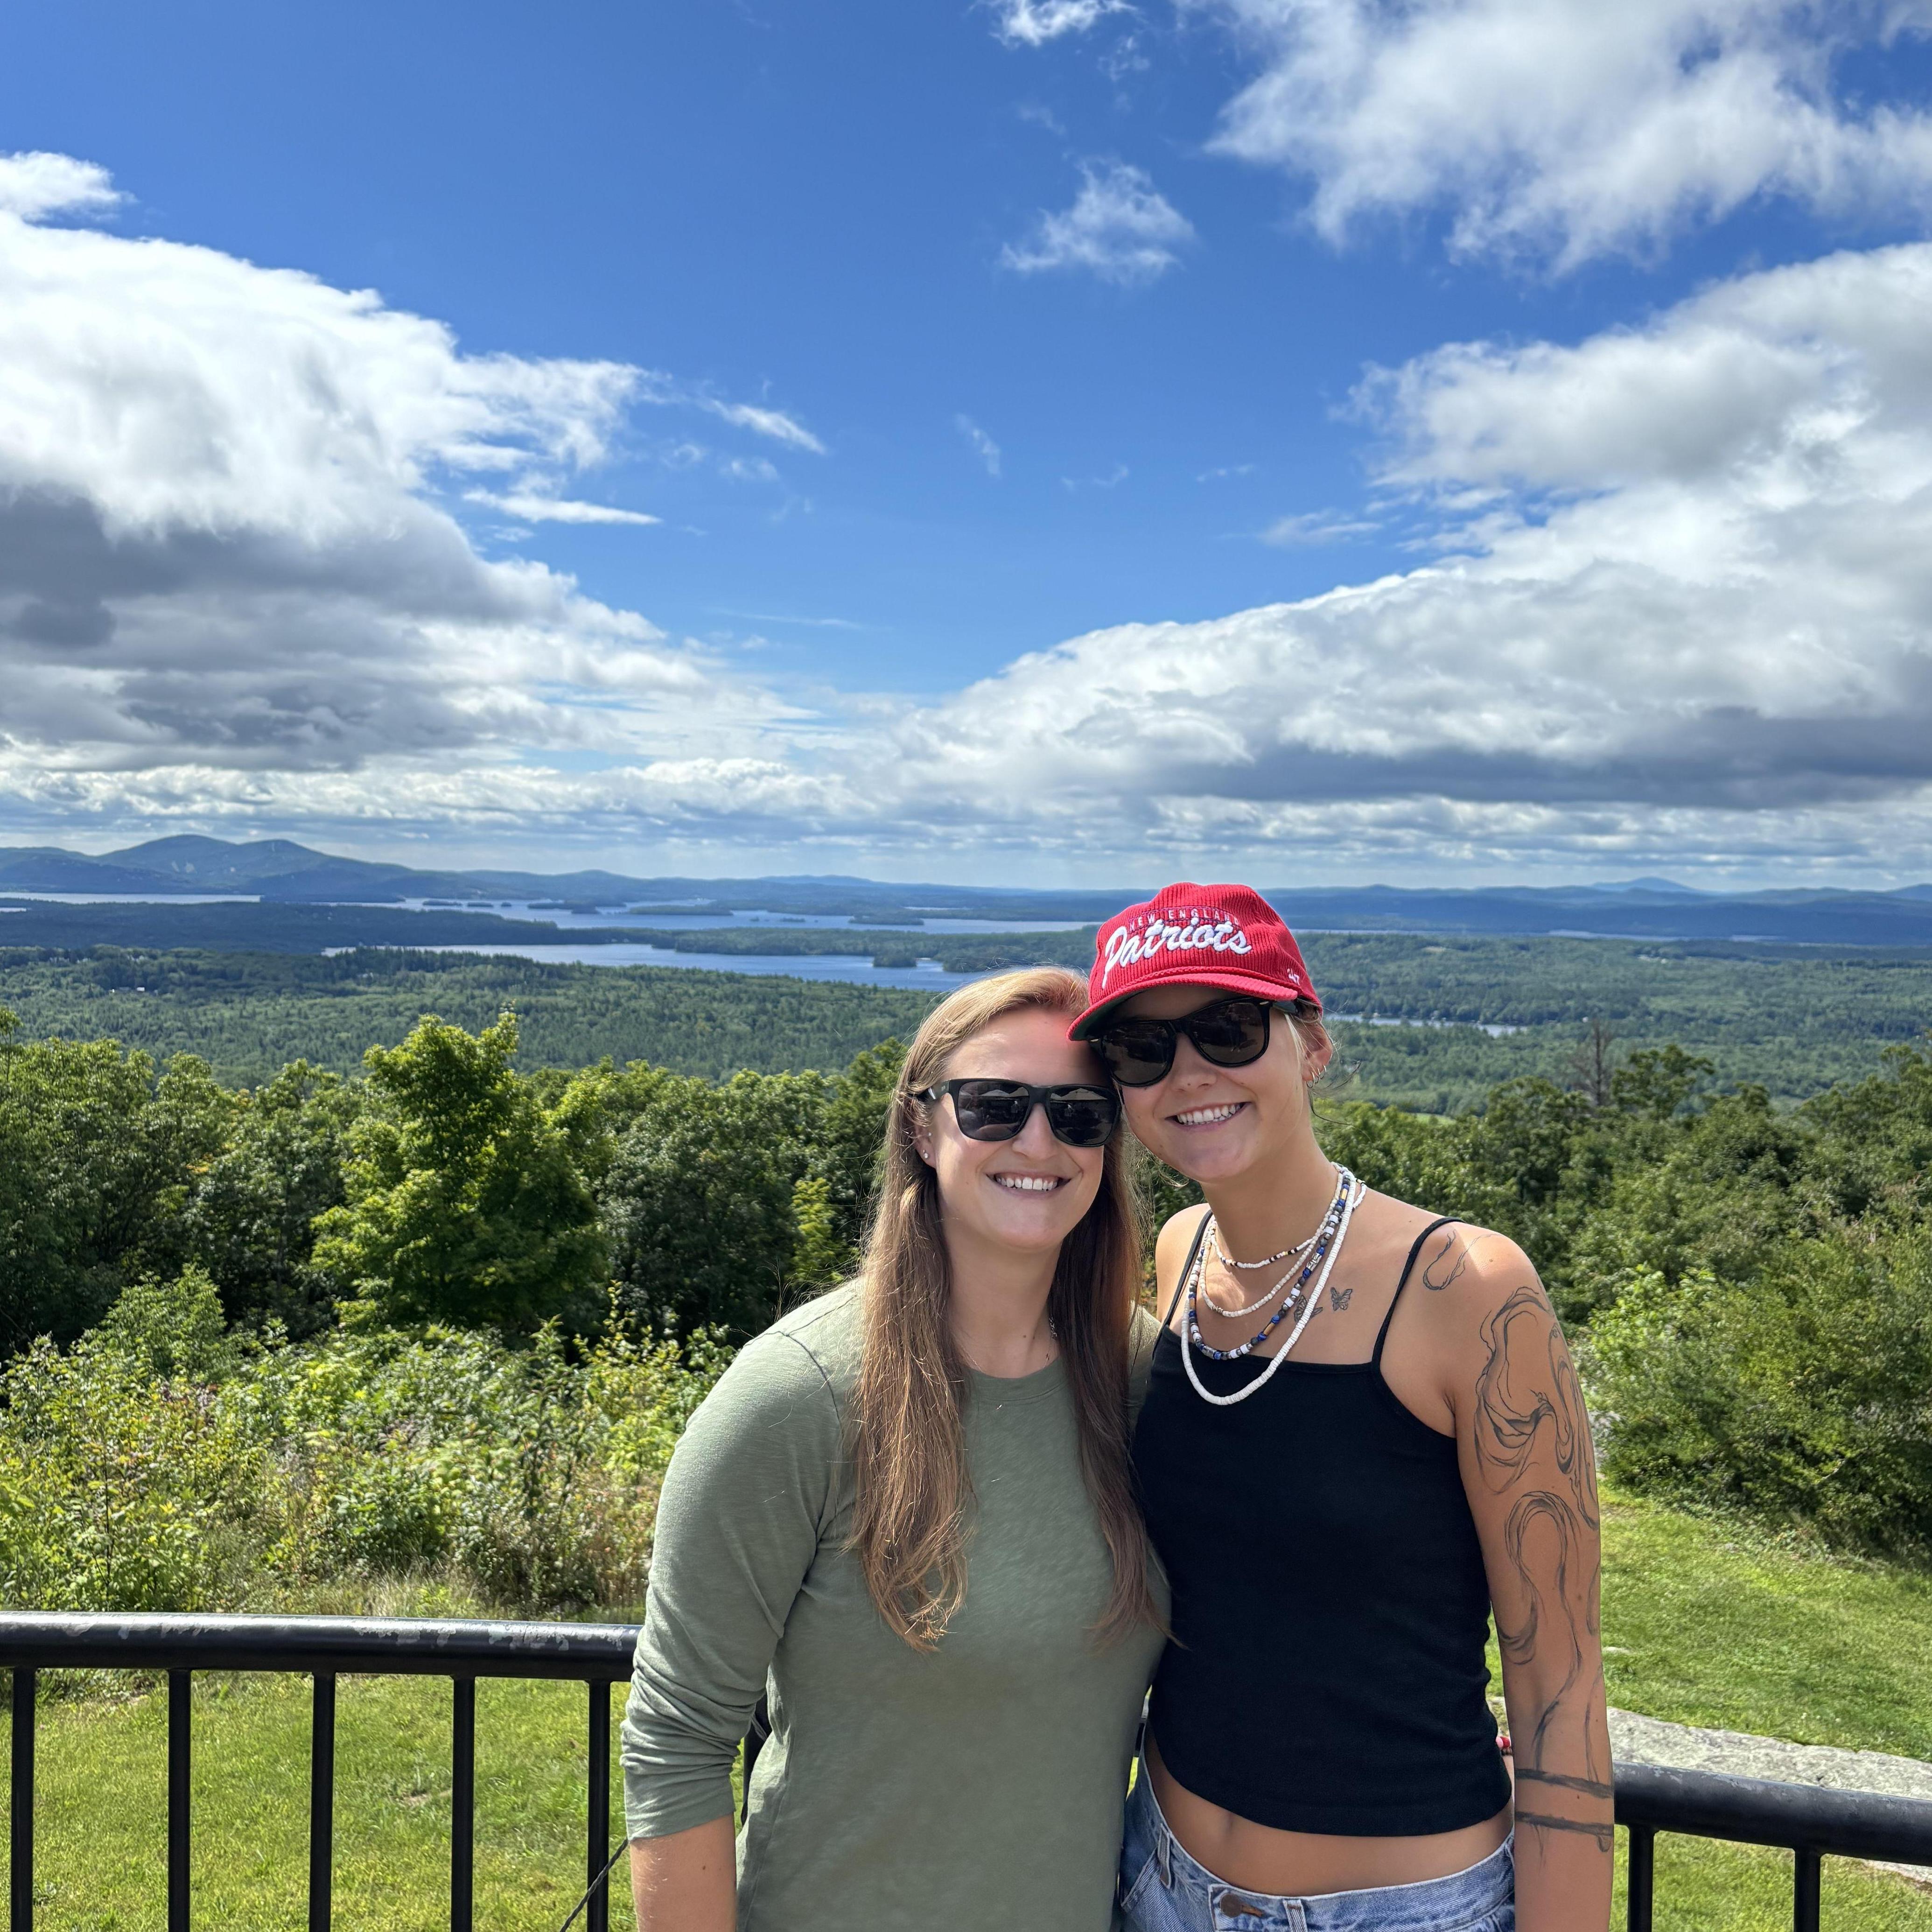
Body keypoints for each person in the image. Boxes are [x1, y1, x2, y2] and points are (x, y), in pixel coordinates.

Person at [1071, 884, 1611, 1932]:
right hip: (1161, 1879)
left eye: (1228, 1029)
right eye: (1143, 1049)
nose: (1190, 1073)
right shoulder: (1179, 1258)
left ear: (1310, 1044)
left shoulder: (1467, 1288)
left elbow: (1561, 1684)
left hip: (1403, 1908)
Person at [620, 967, 1167, 1932]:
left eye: (1079, 1114)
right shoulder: (798, 1397)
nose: (1037, 1141)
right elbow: (679, 1740)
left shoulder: (1143, 1384)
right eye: (994, 1106)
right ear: (922, 1125)